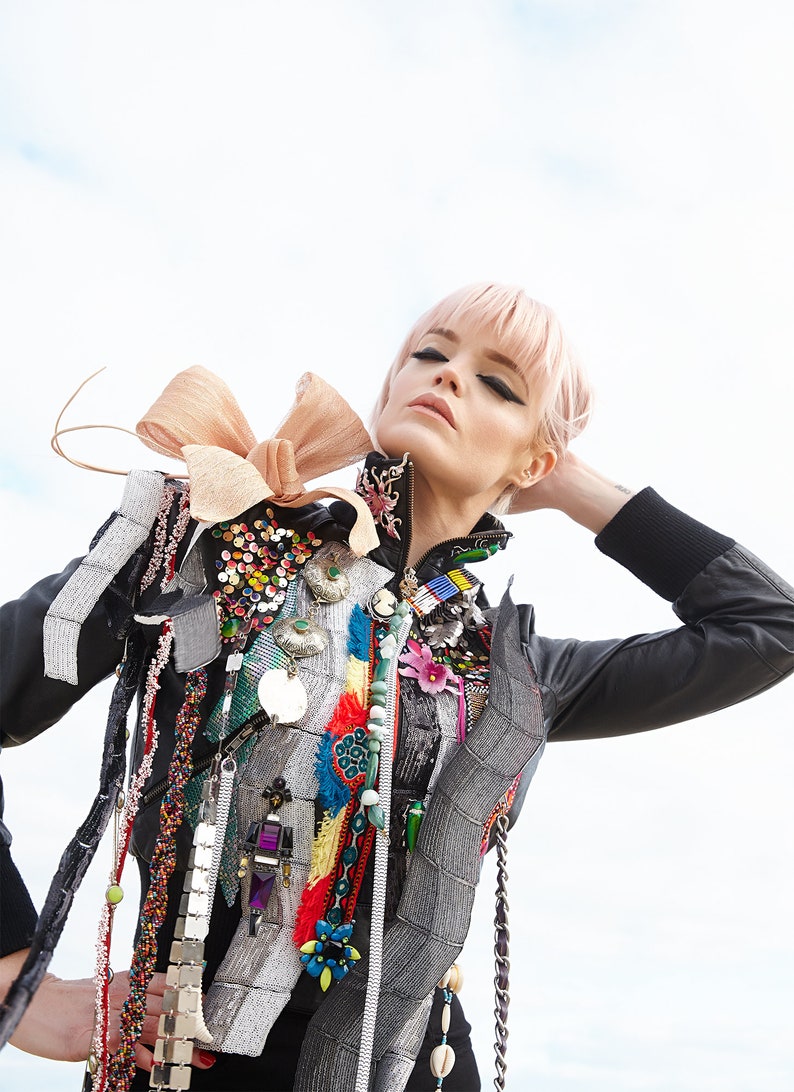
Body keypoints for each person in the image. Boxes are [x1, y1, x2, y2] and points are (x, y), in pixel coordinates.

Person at [1, 283, 791, 1092]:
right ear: (388, 387)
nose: (450, 377)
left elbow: (766, 628)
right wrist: (21, 988)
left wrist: (570, 485)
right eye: (432, 353)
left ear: (539, 459)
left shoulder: (523, 673)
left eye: (499, 383)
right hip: (183, 1064)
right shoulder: (207, 546)